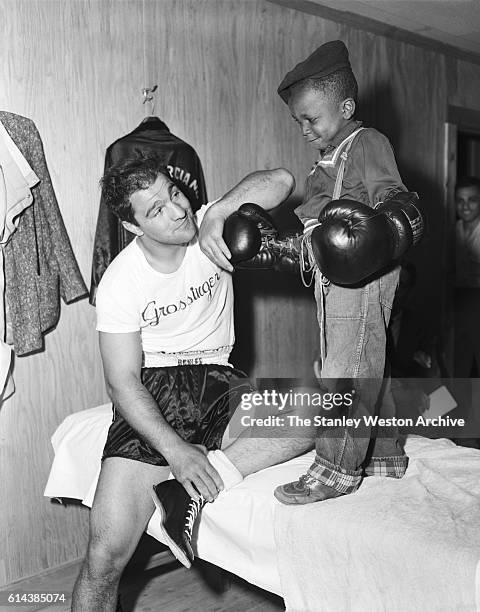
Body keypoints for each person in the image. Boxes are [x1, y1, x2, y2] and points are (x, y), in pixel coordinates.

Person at [71, 156, 315, 612]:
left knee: (316, 408)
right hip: (156, 389)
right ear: (131, 224)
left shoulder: (210, 221)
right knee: (104, 558)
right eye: (156, 210)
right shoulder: (122, 280)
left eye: (174, 194)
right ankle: (185, 476)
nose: (177, 210)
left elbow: (281, 180)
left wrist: (219, 213)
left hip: (221, 380)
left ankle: (192, 489)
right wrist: (177, 452)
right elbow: (122, 382)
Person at [203, 40, 423, 505]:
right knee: (366, 363)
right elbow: (312, 233)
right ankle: (380, 454)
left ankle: (336, 468)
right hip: (333, 280)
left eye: (312, 118)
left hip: (365, 275)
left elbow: (396, 198)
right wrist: (272, 245)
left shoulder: (368, 143)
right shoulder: (324, 162)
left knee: (348, 369)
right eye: (298, 121)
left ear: (345, 106)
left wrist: (386, 228)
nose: (304, 128)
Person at [453, 176, 480, 447]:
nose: (466, 206)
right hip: (458, 301)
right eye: (460, 201)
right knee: (459, 368)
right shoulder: (455, 229)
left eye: (472, 200)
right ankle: (461, 434)